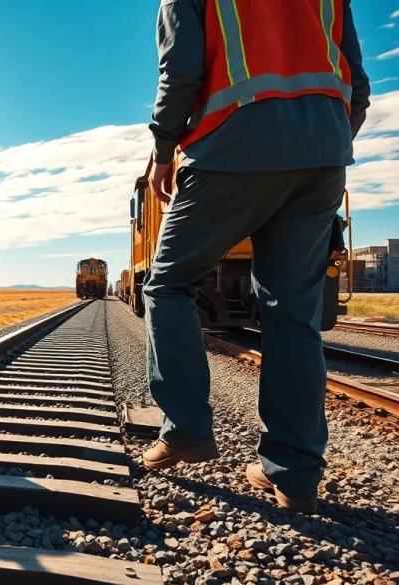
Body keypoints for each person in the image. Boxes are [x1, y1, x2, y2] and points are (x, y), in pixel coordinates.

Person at [141, 0, 370, 513]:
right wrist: (324, 142)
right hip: (324, 150)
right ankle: (295, 476)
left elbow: (179, 71)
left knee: (167, 285)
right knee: (292, 313)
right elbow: (357, 82)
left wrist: (162, 151)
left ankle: (186, 430)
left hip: (233, 143)